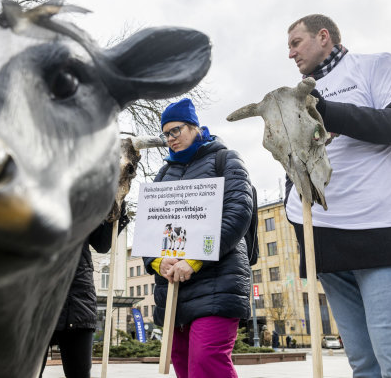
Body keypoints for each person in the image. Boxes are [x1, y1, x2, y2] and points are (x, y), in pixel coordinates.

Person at [285, 14, 391, 377]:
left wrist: (328, 112)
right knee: (364, 365)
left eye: (295, 43)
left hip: (379, 231)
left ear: (323, 37)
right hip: (326, 240)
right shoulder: (301, 93)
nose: (290, 54)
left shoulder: (374, 66)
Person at [143, 98, 254, 378]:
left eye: (175, 131)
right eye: (165, 134)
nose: (170, 139)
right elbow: (150, 227)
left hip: (219, 279)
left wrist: (195, 259)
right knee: (182, 361)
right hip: (174, 287)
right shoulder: (164, 173)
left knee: (206, 360)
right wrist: (157, 262)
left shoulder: (225, 160)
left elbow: (238, 213)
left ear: (194, 127)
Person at [39, 206, 129, 378]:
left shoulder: (84, 200)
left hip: (77, 299)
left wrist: (117, 208)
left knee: (79, 373)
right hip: (36, 300)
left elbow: (102, 244)